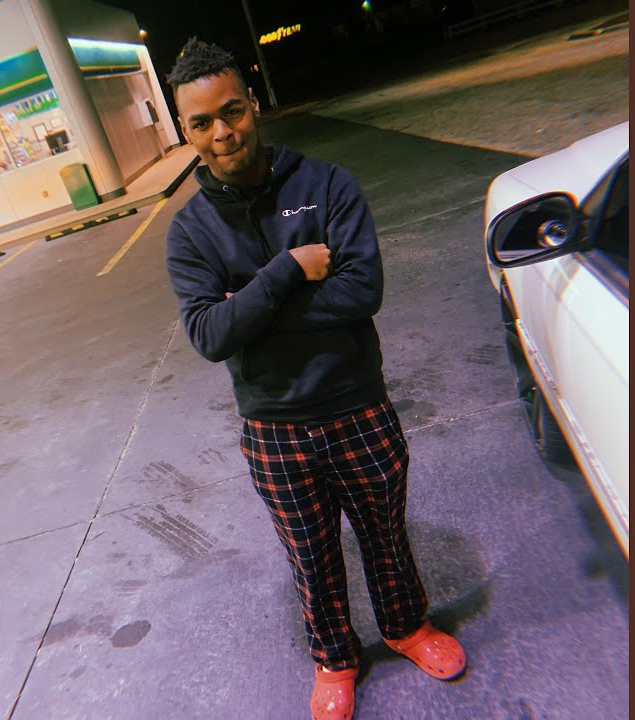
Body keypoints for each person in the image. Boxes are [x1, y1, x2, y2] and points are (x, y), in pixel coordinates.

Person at [162, 39, 467, 720]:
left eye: (231, 111)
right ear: (186, 131)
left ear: (253, 104)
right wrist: (289, 270)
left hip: (357, 404)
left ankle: (406, 626)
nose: (222, 133)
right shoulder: (190, 232)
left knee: (385, 534)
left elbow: (361, 292)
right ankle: (335, 658)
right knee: (310, 554)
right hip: (273, 425)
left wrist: (249, 307)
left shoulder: (325, 185)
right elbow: (210, 335)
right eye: (202, 123)